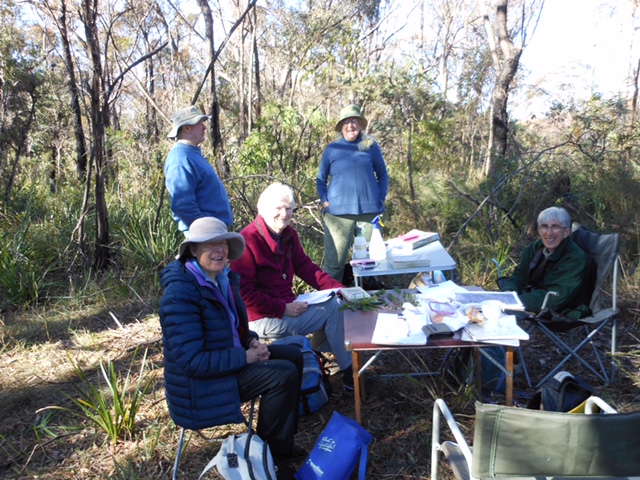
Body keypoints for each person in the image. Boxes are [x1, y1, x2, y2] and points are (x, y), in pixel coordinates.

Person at [158, 216, 305, 464]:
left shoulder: (223, 279)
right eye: (209, 244)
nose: (219, 250)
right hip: (199, 387)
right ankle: (271, 458)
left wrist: (251, 342)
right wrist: (244, 357)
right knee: (282, 374)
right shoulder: (180, 293)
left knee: (293, 355)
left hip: (226, 364)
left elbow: (234, 328)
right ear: (193, 250)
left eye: (223, 244)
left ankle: (280, 442)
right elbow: (192, 361)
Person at [230, 182, 355, 389]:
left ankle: (318, 353)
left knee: (335, 299)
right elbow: (244, 295)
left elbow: (306, 268)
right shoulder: (248, 240)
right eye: (278, 208)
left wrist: (338, 288)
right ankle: (351, 374)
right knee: (334, 309)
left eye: (289, 209)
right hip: (261, 318)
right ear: (262, 209)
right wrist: (283, 308)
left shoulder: (288, 235)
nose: (284, 214)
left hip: (285, 306)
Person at [316, 104, 389, 282]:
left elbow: (383, 174)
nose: (351, 126)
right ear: (341, 126)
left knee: (369, 262)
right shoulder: (332, 149)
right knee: (335, 263)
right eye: (347, 122)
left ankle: (368, 299)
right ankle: (333, 301)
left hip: (369, 213)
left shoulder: (370, 146)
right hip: (338, 215)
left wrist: (380, 198)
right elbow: (320, 178)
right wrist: (325, 201)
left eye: (354, 121)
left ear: (360, 125)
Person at [498, 206, 593, 319]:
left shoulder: (575, 258)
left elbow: (557, 297)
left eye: (555, 227)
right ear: (539, 230)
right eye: (544, 226)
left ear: (567, 232)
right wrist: (507, 295)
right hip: (534, 296)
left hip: (564, 307)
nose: (549, 233)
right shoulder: (535, 248)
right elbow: (518, 276)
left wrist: (514, 302)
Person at [164, 106, 233, 234]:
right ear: (186, 128)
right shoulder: (180, 159)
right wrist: (204, 230)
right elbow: (182, 205)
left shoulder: (191, 153)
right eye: (200, 123)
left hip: (214, 231)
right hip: (204, 235)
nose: (204, 127)